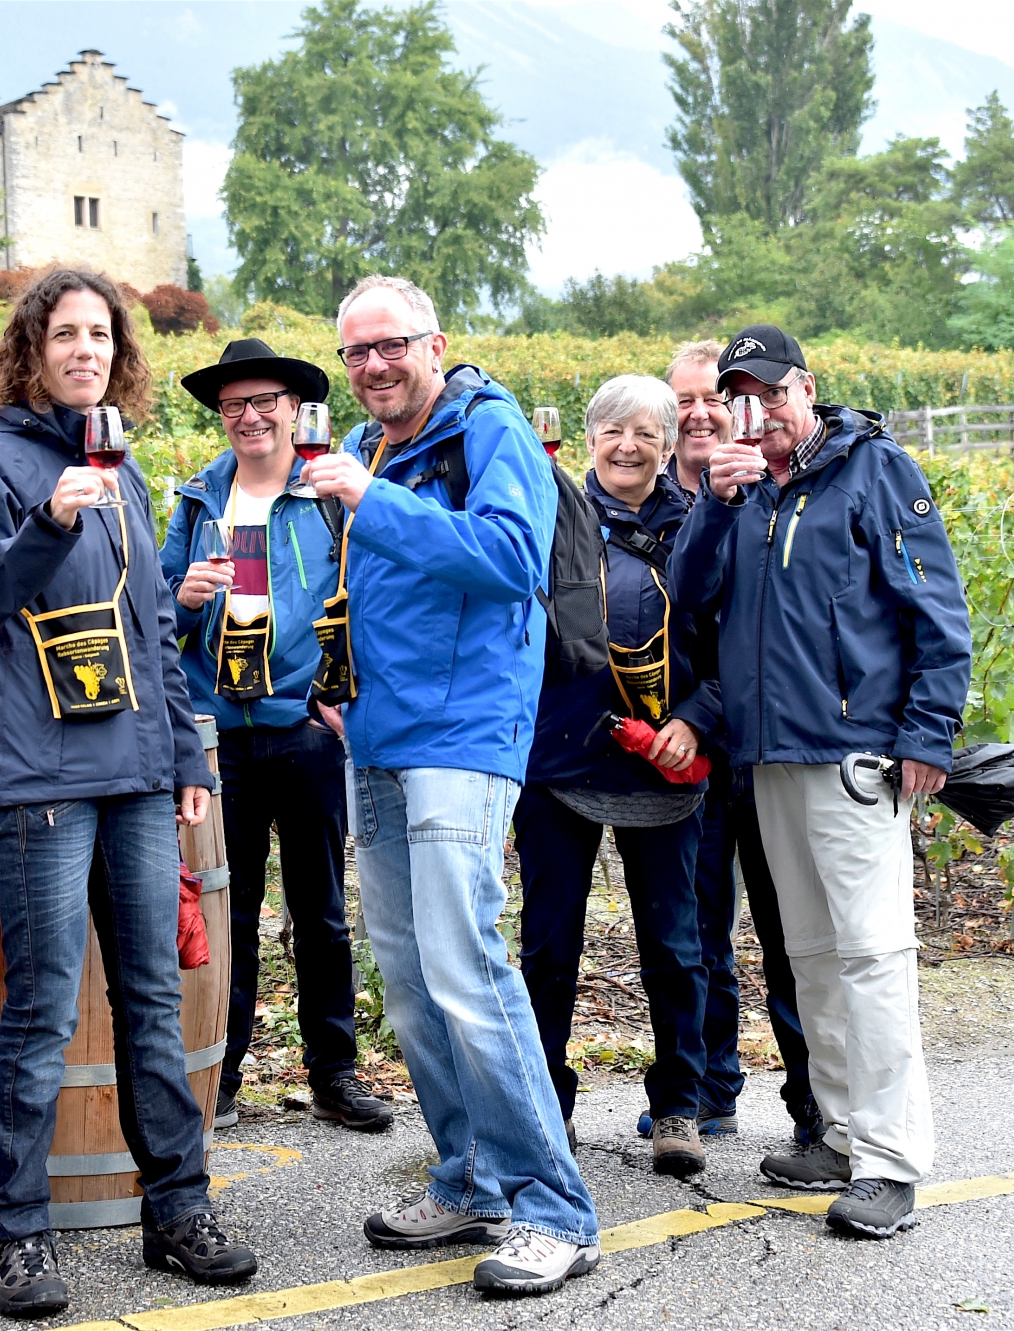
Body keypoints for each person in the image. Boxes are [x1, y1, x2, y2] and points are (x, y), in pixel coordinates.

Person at [0, 268, 258, 1317]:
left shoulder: (119, 464)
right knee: (38, 1010)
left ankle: (176, 1208)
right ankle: (20, 1235)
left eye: (98, 334)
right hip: (36, 777)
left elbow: (152, 627)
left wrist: (187, 762)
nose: (83, 349)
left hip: (131, 773)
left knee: (152, 1003)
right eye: (63, 334)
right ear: (29, 350)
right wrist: (44, 521)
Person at [302, 274, 601, 1297]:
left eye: (390, 346)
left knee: (467, 967)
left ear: (435, 343)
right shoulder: (367, 442)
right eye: (356, 351)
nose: (373, 365)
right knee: (413, 980)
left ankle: (552, 1205)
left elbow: (512, 559)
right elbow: (366, 582)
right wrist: (330, 674)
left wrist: (367, 500)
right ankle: (469, 1173)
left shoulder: (487, 428)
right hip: (377, 734)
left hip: (462, 733)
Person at [672, 325, 971, 1240]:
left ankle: (890, 1160)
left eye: (768, 391)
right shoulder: (744, 490)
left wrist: (929, 732)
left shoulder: (877, 471)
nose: (754, 411)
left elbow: (936, 607)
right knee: (811, 957)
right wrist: (717, 505)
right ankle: (838, 1133)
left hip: (856, 755)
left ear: (805, 388)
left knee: (873, 957)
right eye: (738, 398)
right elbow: (691, 596)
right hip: (768, 755)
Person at [161, 338, 392, 1136]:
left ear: (295, 410)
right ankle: (217, 1075)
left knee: (321, 910)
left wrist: (336, 698)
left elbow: (368, 598)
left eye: (265, 402)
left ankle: (334, 1073)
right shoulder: (196, 503)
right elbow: (152, 615)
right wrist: (183, 597)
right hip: (217, 740)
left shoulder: (328, 495)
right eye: (234, 406)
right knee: (230, 910)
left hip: (303, 730)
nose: (250, 417)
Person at [513, 375, 722, 1178]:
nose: (627, 446)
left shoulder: (705, 524)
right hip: (559, 756)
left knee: (674, 945)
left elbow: (731, 641)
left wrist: (696, 718)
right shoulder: (548, 513)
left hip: (665, 764)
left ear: (669, 445)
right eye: (612, 431)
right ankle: (544, 1102)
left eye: (645, 432)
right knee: (548, 942)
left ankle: (679, 1105)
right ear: (590, 440)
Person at [664, 339, 821, 1148]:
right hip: (685, 754)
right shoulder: (654, 503)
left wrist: (705, 705)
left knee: (788, 928)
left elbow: (756, 633)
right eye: (684, 399)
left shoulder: (777, 491)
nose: (699, 413)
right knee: (698, 933)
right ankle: (712, 1089)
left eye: (712, 399)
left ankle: (811, 1102)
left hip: (759, 739)